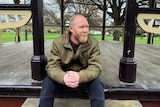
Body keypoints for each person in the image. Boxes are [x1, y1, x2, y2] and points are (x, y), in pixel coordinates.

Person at [39, 14, 105, 107]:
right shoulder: (59, 42)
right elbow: (52, 66)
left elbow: (96, 67)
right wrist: (63, 77)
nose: (86, 30)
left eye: (87, 27)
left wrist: (80, 76)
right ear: (71, 29)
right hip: (63, 78)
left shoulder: (93, 43)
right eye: (81, 27)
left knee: (97, 83)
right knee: (47, 82)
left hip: (84, 78)